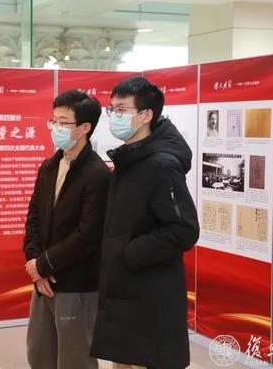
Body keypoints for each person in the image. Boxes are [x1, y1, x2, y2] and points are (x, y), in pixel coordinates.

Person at [90, 77, 199, 369]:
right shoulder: (130, 160)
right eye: (112, 109)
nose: (114, 116)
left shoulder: (161, 164)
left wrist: (130, 252)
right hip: (126, 289)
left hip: (149, 292)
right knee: (124, 360)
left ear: (146, 115)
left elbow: (184, 229)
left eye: (121, 109)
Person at [23, 89, 109, 369]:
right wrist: (35, 264)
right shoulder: (49, 166)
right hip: (43, 280)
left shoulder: (97, 174)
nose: (56, 128)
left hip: (76, 284)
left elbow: (88, 235)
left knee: (75, 359)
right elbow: (34, 217)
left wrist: (44, 265)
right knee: (40, 354)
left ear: (84, 128)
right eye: (54, 121)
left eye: (63, 122)